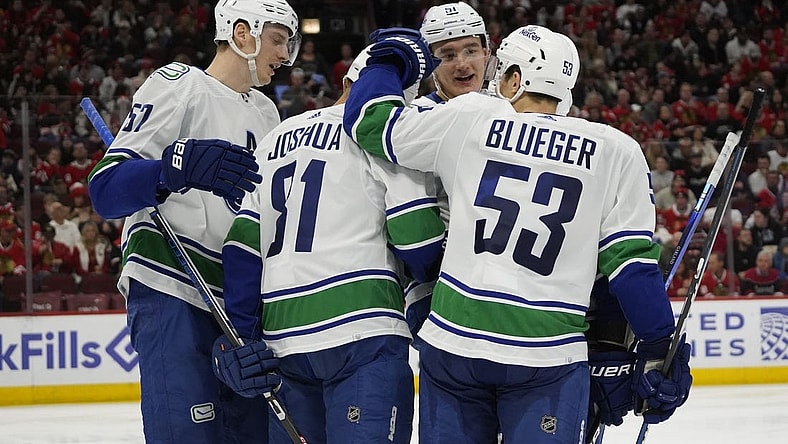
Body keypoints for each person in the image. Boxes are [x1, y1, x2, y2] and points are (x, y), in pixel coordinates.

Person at [342, 25, 692, 443]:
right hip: (546, 355)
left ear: (514, 80)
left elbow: (371, 125)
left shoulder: (472, 115)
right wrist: (658, 348)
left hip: (455, 345)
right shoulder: (617, 149)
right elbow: (632, 268)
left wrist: (388, 59)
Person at [87, 1, 301, 442]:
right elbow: (106, 189)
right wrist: (171, 170)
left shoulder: (267, 113)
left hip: (237, 301)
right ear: (243, 33)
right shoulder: (179, 83)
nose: (284, 55)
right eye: (278, 40)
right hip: (173, 281)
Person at [218, 48, 445, 443]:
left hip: (283, 339)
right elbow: (416, 236)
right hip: (363, 332)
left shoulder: (276, 137)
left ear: (345, 83)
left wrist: (243, 335)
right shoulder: (387, 134)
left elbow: (241, 246)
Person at [405, 0, 490, 350]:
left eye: (471, 49)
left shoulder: (510, 115)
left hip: (505, 280)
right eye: (447, 54)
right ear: (428, 64)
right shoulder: (415, 119)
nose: (462, 64)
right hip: (436, 283)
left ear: (488, 52)